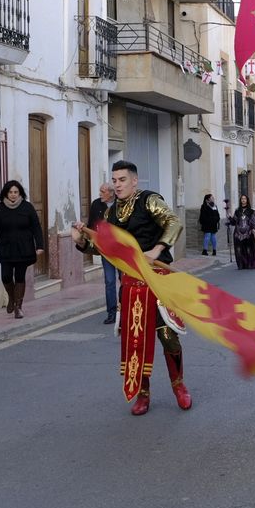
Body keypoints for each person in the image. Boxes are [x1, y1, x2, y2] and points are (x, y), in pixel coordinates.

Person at [71, 160, 190, 416]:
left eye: (122, 180)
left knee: (168, 337)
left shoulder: (149, 200)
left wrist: (157, 250)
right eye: (114, 180)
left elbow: (173, 222)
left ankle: (179, 386)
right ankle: (142, 394)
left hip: (158, 278)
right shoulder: (110, 214)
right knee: (134, 341)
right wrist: (81, 241)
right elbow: (104, 249)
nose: (117, 184)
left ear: (134, 181)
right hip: (132, 285)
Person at [0, 180, 45, 319]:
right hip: (6, 247)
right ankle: (12, 298)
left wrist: (40, 245)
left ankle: (18, 307)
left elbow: (36, 227)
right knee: (6, 276)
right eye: (10, 192)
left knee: (19, 276)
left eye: (16, 192)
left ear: (20, 193)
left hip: (24, 247)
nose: (13, 195)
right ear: (6, 193)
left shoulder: (27, 207)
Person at [88, 183, 119, 325]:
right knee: (109, 281)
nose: (100, 194)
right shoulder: (96, 205)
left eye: (103, 191)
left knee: (125, 280)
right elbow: (91, 225)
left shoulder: (121, 203)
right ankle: (111, 313)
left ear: (111, 193)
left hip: (121, 250)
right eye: (100, 191)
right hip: (106, 249)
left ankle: (124, 310)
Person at [231, 195, 255, 270]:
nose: (243, 200)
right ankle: (241, 265)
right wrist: (229, 217)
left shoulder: (251, 211)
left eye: (245, 198)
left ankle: (249, 264)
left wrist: (254, 228)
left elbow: (254, 222)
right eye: (242, 199)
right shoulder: (237, 211)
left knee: (248, 249)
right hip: (238, 233)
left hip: (248, 233)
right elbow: (233, 222)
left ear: (247, 200)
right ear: (240, 200)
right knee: (239, 250)